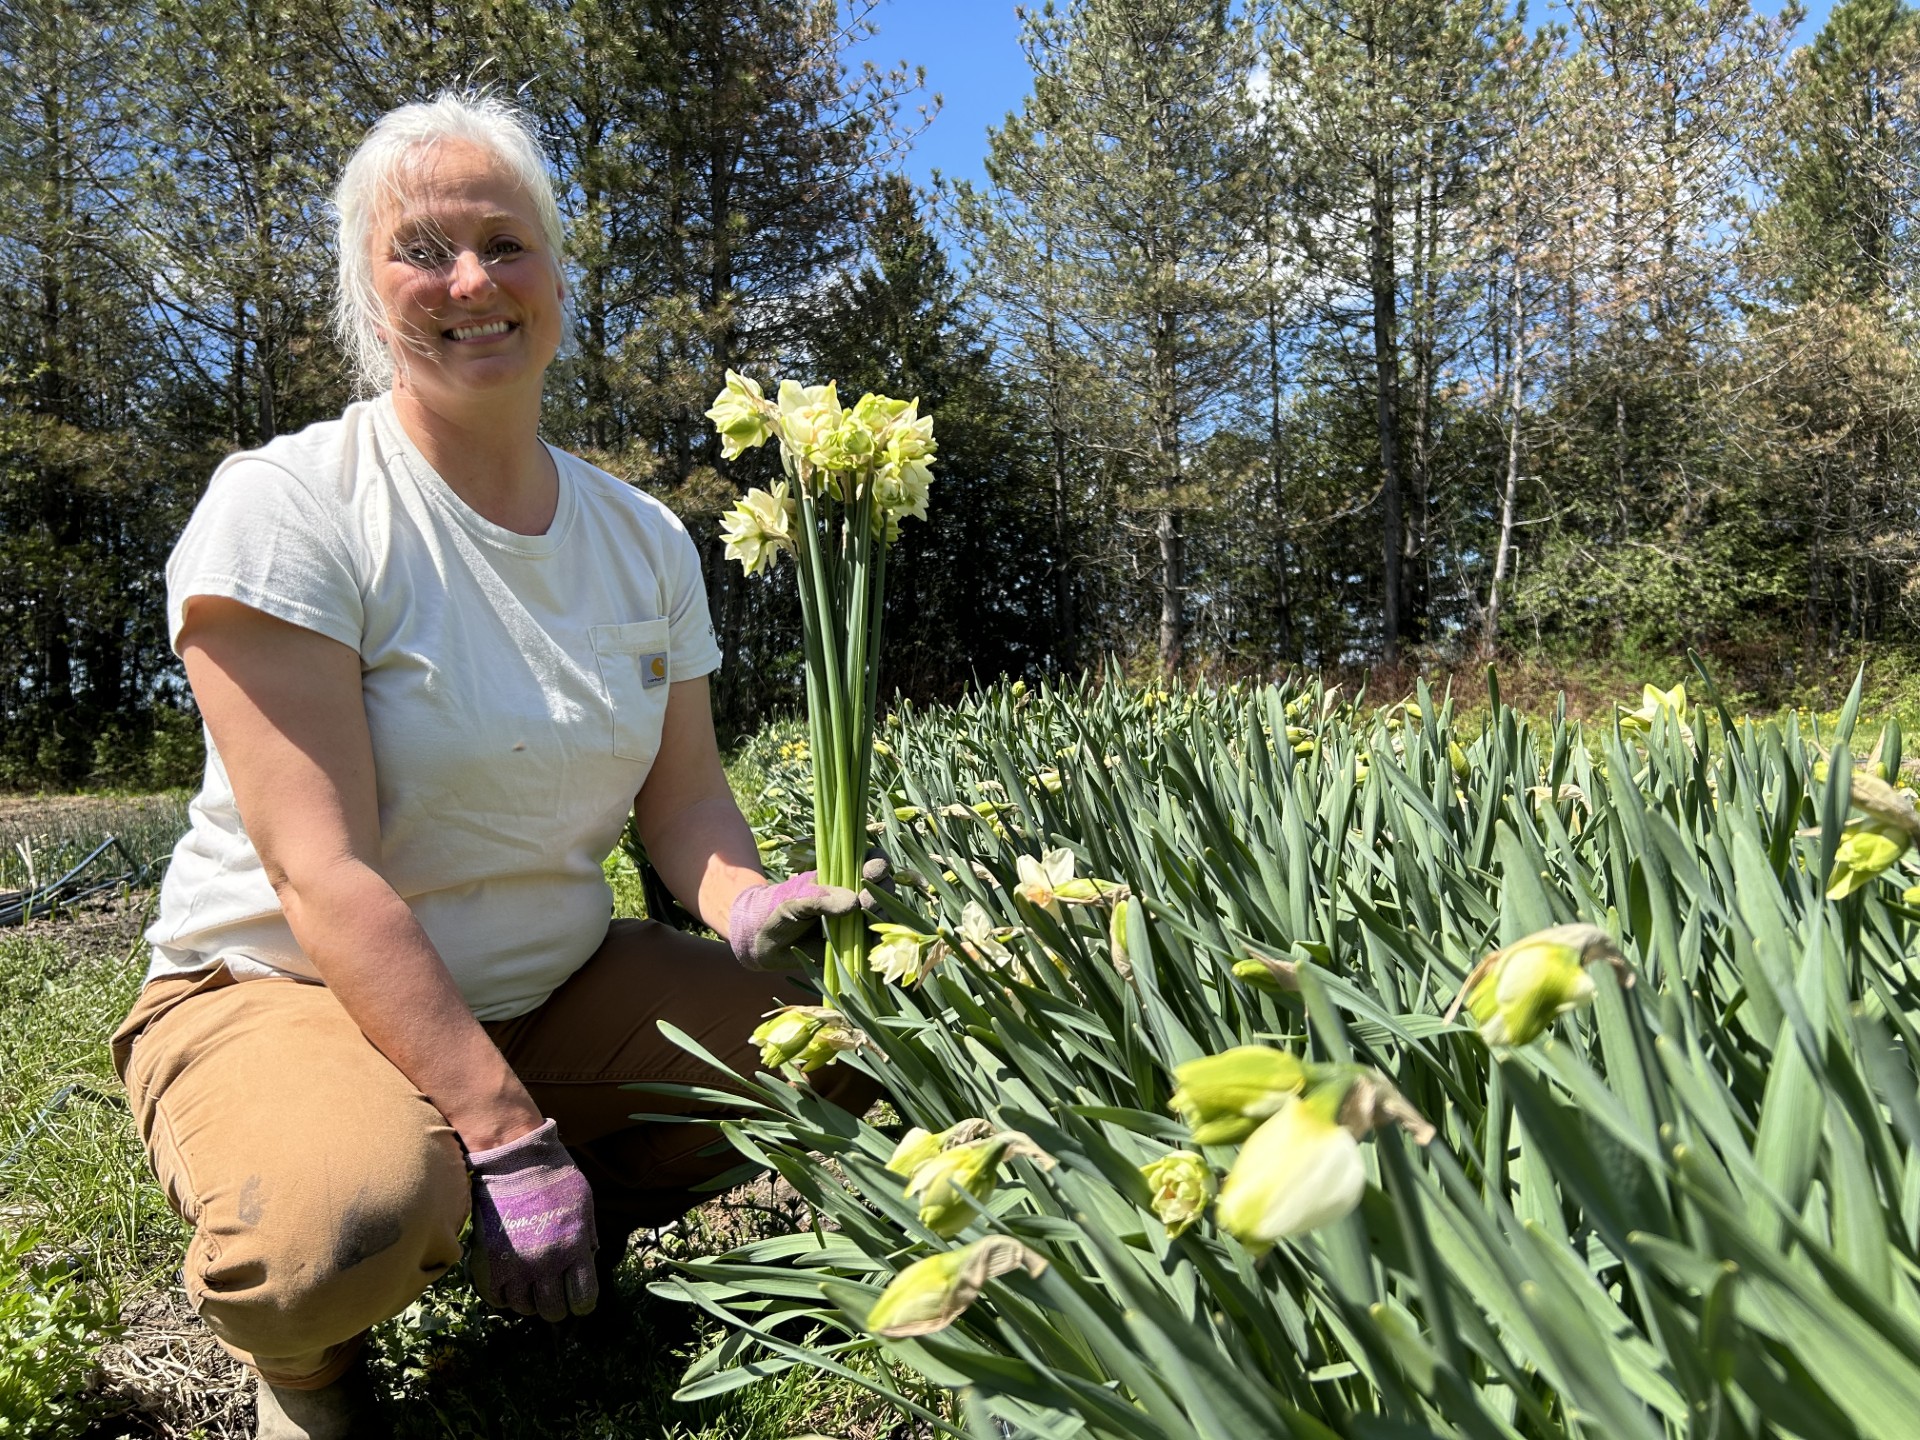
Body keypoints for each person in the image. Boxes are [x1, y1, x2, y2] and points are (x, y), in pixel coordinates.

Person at [110, 92, 878, 1440]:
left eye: (504, 242)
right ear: (368, 289)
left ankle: (532, 1234)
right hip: (282, 987)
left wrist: (749, 903)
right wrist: (503, 1126)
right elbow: (317, 866)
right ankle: (314, 1357)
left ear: (557, 278)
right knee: (341, 1222)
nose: (470, 281)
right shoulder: (289, 508)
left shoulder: (640, 539)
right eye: (421, 249)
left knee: (842, 1049)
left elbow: (683, 797)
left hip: (546, 983)